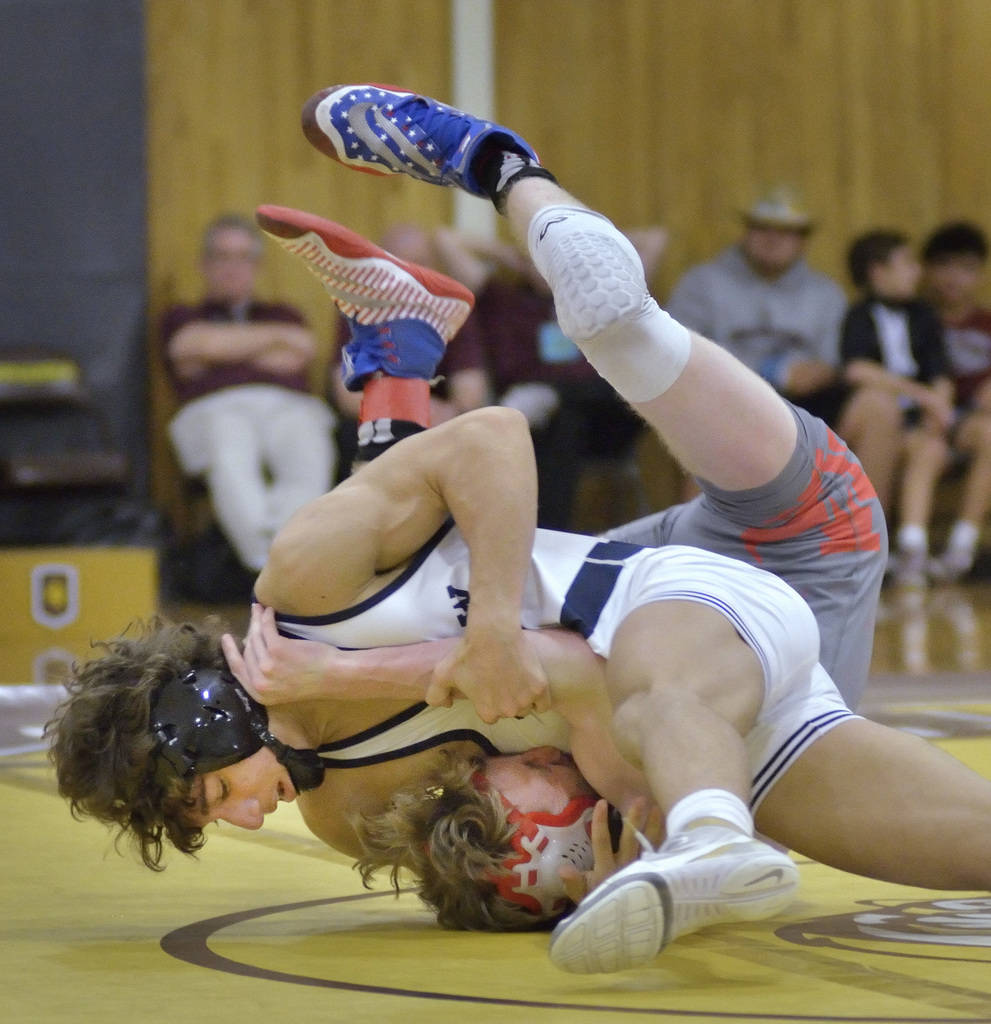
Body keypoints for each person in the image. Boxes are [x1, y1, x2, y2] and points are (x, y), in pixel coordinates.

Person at [47, 86, 991, 978]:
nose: (249, 825)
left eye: (217, 800)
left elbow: (498, 455)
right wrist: (573, 870)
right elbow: (513, 809)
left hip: (753, 562)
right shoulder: (343, 813)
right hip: (720, 681)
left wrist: (476, 633)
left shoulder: (300, 582)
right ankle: (400, 354)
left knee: (615, 327)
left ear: (212, 721)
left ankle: (490, 161)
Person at [426, 222, 664, 530]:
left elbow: (654, 238)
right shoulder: (504, 300)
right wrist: (511, 254)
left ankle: (550, 529)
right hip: (539, 422)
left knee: (587, 398)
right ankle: (549, 532)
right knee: (561, 422)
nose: (544, 269)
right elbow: (446, 238)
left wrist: (577, 243)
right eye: (536, 260)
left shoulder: (602, 294)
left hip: (603, 411)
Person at [161, 213, 337, 573]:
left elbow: (301, 350)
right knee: (228, 441)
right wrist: (270, 343)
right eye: (222, 257)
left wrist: (217, 352)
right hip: (215, 408)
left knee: (309, 441)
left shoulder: (284, 312)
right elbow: (186, 348)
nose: (232, 267)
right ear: (205, 264)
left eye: (243, 257)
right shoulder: (181, 315)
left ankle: (290, 552)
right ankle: (266, 564)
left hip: (287, 405)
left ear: (256, 265)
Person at [665, 185, 848, 427]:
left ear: (803, 240)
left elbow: (832, 361)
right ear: (746, 232)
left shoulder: (827, 294)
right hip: (721, 400)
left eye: (785, 231)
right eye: (761, 228)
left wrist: (819, 373)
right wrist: (772, 372)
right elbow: (676, 350)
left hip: (806, 408)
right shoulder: (701, 283)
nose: (772, 239)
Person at [835, 229, 954, 587]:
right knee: (880, 406)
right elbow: (857, 369)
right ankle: (872, 539)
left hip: (915, 422)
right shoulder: (858, 315)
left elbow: (940, 371)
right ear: (877, 272)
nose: (916, 272)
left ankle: (913, 546)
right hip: (873, 418)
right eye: (906, 264)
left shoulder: (923, 315)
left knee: (929, 448)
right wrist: (921, 394)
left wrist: (940, 408)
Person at [327, 222, 491, 478]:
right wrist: (409, 409)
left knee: (472, 433)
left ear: (434, 267)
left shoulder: (454, 310)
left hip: (439, 420)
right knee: (352, 435)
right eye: (396, 264)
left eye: (419, 263)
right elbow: (346, 393)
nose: (408, 275)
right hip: (378, 418)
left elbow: (471, 392)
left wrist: (438, 412)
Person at [921, 221, 991, 580]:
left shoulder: (986, 323)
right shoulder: (916, 319)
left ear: (979, 274)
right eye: (945, 265)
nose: (954, 277)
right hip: (925, 422)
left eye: (966, 268)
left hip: (974, 422)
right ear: (928, 270)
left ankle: (962, 546)